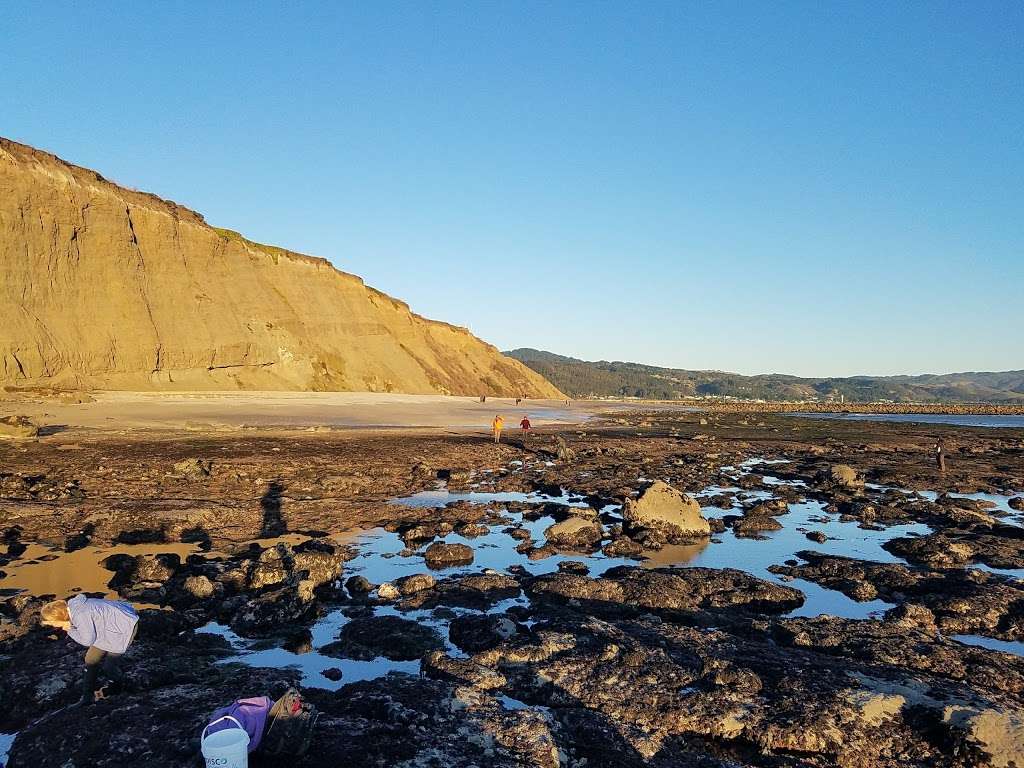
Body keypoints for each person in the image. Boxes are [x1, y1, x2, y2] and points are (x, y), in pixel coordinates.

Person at [40, 595, 139, 704]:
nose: (54, 626)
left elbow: (87, 641)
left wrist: (69, 629)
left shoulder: (80, 614)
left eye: (52, 623)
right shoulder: (72, 608)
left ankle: (118, 685)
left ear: (59, 617)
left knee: (109, 666)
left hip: (124, 626)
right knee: (90, 659)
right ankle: (86, 697)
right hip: (106, 626)